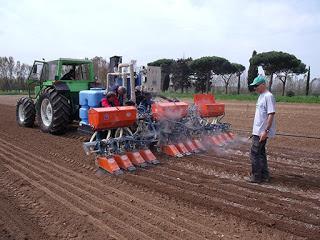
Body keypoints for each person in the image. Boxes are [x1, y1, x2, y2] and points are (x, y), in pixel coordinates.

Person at [248, 75, 276, 183]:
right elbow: (260, 116)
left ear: (263, 84)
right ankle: (265, 175)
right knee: (261, 153)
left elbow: (271, 114)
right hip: (258, 131)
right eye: (254, 86)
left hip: (262, 132)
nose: (255, 88)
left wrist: (266, 131)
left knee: (254, 154)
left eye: (256, 86)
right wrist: (254, 132)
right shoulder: (261, 96)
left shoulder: (268, 96)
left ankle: (256, 177)